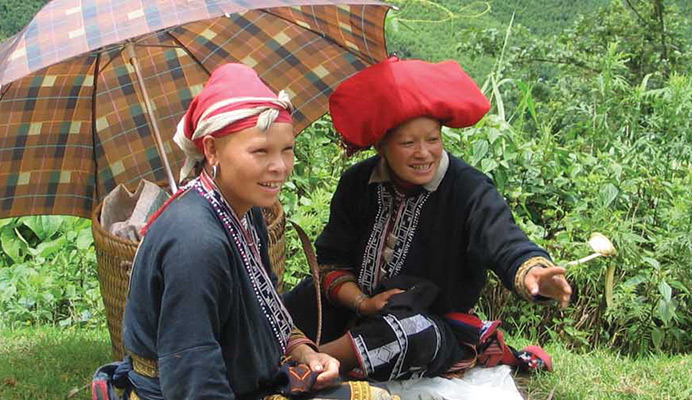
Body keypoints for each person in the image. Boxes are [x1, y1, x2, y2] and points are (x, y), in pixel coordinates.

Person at [283, 57, 572, 382]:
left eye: (433, 139)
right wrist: (364, 303)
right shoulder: (357, 183)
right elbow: (331, 262)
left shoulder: (468, 189)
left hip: (431, 322)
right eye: (408, 143)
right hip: (352, 306)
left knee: (412, 333)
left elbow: (504, 239)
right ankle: (313, 355)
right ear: (381, 145)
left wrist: (531, 272)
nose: (424, 153)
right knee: (287, 306)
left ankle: (308, 364)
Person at [110, 63, 340, 400]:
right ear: (212, 149)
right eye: (260, 151)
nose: (279, 166)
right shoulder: (195, 242)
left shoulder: (246, 212)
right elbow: (193, 372)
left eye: (286, 149)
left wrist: (304, 352)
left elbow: (267, 303)